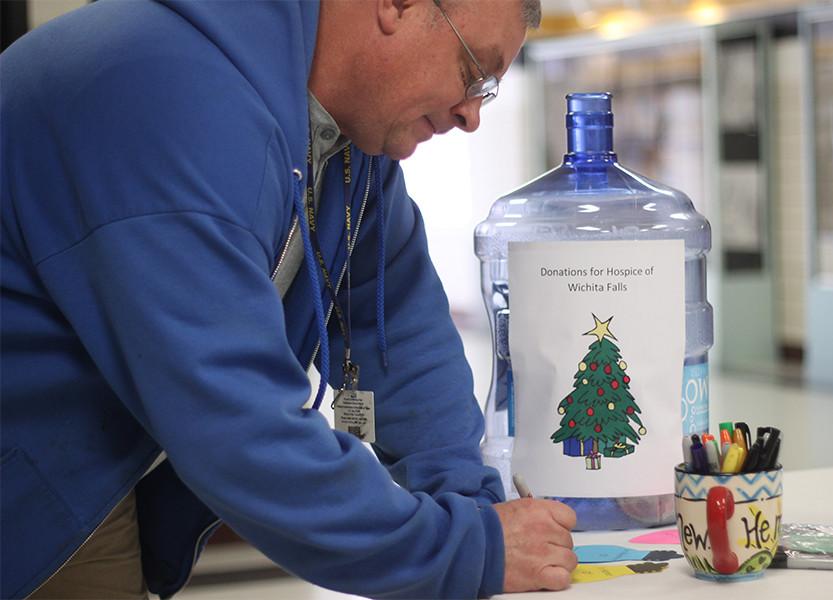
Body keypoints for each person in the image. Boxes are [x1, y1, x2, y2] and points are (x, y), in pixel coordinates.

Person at [0, 0, 578, 598]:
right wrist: (464, 550)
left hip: (88, 468)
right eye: (472, 70)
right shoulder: (163, 92)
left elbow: (398, 326)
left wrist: (474, 508)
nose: (471, 115)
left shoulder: (345, 135)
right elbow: (235, 424)